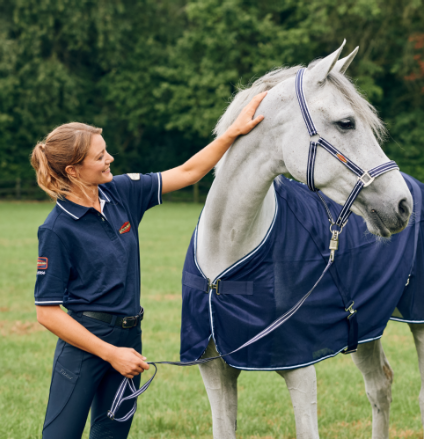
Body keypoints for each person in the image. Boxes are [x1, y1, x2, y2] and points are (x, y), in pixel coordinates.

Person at [30, 92, 267, 438]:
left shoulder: (122, 192)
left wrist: (232, 132)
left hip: (130, 337)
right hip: (86, 345)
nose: (110, 158)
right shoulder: (57, 228)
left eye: (106, 149)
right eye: (100, 156)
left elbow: (189, 172)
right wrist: (112, 354)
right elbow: (46, 313)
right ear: (73, 170)